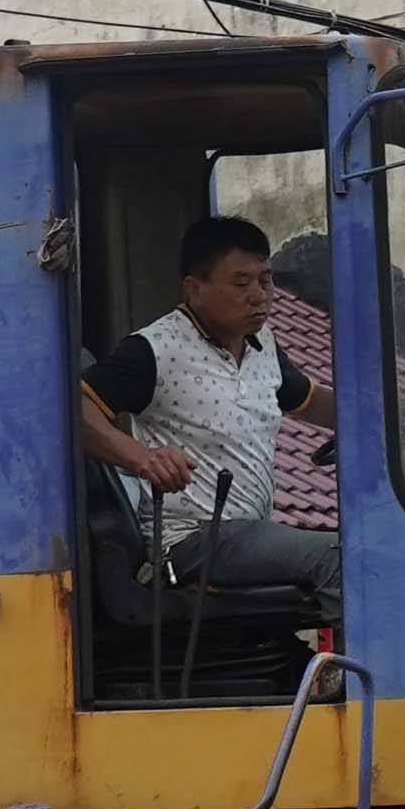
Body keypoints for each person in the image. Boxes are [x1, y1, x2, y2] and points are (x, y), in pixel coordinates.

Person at [77, 213, 338, 620]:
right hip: (189, 539)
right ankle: (369, 662)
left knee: (373, 542)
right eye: (241, 283)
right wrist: (142, 457)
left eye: (266, 280)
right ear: (194, 288)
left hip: (250, 534)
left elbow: (307, 399)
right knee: (342, 556)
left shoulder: (262, 344)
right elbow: (74, 408)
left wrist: (387, 414)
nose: (259, 296)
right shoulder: (156, 349)